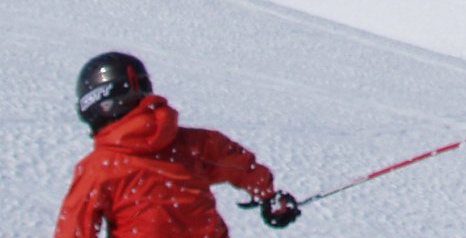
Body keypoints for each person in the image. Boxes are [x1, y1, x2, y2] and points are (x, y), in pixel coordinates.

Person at [54, 52, 301, 237]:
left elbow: (75, 228)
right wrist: (268, 196)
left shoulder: (100, 167)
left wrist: (267, 195)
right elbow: (240, 165)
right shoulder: (193, 144)